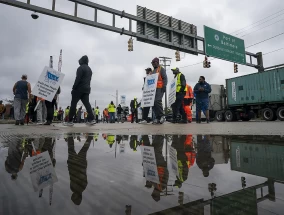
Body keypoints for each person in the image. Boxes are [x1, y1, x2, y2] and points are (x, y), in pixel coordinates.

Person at [63, 55, 96, 126]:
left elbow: (78, 79)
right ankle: (92, 119)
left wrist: (74, 87)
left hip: (78, 89)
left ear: (82, 60)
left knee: (73, 104)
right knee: (87, 104)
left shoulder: (80, 68)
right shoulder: (89, 69)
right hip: (86, 89)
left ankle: (70, 120)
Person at [151, 57, 168, 124]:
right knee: (153, 103)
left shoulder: (161, 69)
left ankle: (162, 116)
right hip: (153, 89)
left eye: (154, 63)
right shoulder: (153, 71)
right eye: (152, 63)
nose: (153, 64)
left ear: (157, 63)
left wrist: (164, 86)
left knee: (157, 101)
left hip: (160, 88)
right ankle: (157, 118)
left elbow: (165, 78)